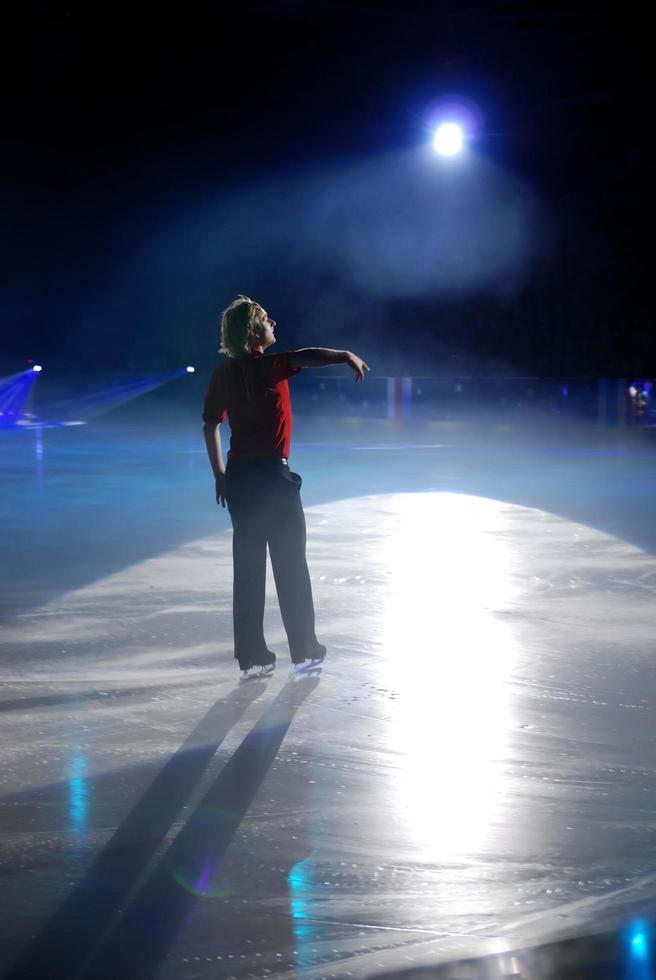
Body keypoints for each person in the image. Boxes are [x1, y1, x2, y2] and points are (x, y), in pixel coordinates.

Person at [202, 294, 369, 676]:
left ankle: (252, 657)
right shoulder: (271, 366)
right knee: (291, 565)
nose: (273, 322)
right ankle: (306, 651)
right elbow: (306, 355)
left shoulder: (222, 374)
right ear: (253, 332)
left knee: (248, 570)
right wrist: (344, 354)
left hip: (241, 479)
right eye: (265, 318)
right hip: (272, 480)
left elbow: (211, 423)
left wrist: (219, 474)